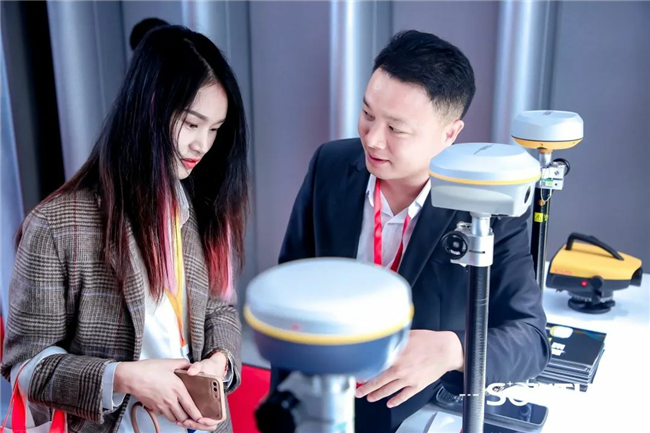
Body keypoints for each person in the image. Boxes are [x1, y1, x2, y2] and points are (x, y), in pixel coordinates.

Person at [277, 30, 551, 433]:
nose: (373, 139)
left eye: (397, 129)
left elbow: (531, 339)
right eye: (367, 114)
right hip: (312, 394)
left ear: (450, 134)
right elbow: (288, 281)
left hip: (405, 411)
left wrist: (452, 349)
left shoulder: (487, 207)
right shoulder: (331, 164)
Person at [1, 25, 248, 433]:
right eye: (192, 124)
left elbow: (219, 308)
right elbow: (24, 367)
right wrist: (125, 377)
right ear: (149, 108)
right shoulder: (57, 225)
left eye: (215, 129)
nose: (202, 145)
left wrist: (219, 361)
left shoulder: (201, 206)